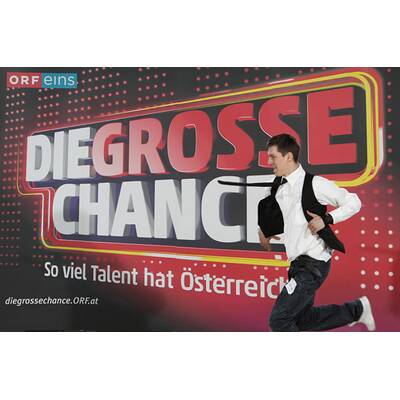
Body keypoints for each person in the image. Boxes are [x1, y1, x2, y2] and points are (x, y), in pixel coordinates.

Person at [258, 134, 376, 332]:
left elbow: (354, 202)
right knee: (302, 319)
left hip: (314, 264)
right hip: (297, 264)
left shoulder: (316, 184)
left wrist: (327, 219)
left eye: (273, 157)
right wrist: (265, 230)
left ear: (288, 157)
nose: (269, 161)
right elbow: (282, 217)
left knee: (279, 320)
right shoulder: (277, 186)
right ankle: (357, 310)